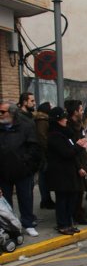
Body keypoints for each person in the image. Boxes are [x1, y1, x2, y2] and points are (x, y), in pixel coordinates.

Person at [0, 97, 41, 236]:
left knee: (26, 198)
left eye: (2, 111)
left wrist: (26, 162)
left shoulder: (26, 125)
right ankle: (9, 226)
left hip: (22, 170)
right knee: (5, 201)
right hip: (4, 171)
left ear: (11, 113)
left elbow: (33, 146)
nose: (0, 114)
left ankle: (28, 223)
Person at [46, 107, 87, 235]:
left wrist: (79, 164)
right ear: (57, 120)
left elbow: (72, 153)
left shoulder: (65, 134)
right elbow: (66, 153)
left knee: (71, 199)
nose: (66, 120)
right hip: (60, 173)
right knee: (62, 200)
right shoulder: (54, 135)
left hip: (70, 172)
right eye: (63, 118)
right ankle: (62, 224)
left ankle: (69, 223)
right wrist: (79, 146)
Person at [65, 99, 87, 224]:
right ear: (75, 112)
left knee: (80, 191)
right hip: (75, 163)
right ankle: (75, 216)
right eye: (80, 110)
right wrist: (79, 166)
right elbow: (72, 148)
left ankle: (78, 214)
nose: (82, 112)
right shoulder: (69, 127)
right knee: (75, 192)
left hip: (82, 159)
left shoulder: (79, 125)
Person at [35, 101, 55, 209]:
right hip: (43, 153)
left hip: (43, 152)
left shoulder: (44, 119)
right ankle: (45, 200)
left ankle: (46, 199)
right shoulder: (42, 121)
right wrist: (48, 149)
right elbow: (42, 137)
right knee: (43, 177)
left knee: (45, 177)